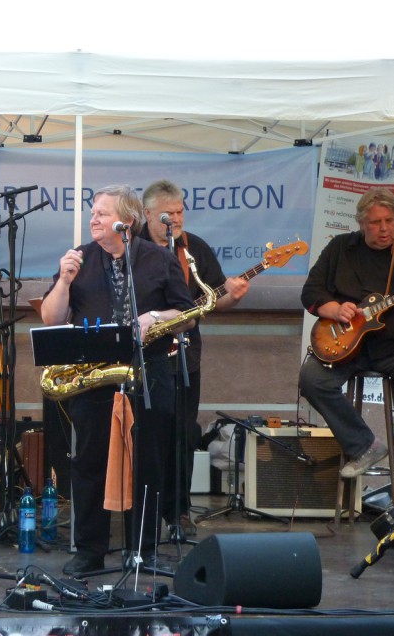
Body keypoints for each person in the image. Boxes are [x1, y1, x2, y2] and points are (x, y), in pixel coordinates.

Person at [40, 184, 195, 576]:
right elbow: (50, 319)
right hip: (95, 377)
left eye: (102, 213)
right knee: (89, 462)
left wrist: (156, 318)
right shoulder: (80, 258)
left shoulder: (159, 259)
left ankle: (142, 549)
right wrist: (63, 281)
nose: (93, 219)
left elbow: (188, 313)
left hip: (150, 375)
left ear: (126, 222)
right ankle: (90, 551)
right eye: (93, 212)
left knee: (148, 462)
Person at [298, 187, 394, 479]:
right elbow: (311, 292)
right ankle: (364, 446)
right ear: (361, 223)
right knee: (311, 379)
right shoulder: (340, 249)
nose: (384, 229)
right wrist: (334, 310)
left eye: (389, 221)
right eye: (375, 222)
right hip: (348, 346)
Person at [138, 180, 249, 537]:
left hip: (185, 355)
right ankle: (142, 512)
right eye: (168, 214)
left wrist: (232, 295)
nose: (176, 220)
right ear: (148, 214)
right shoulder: (133, 247)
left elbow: (213, 299)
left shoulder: (194, 248)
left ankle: (178, 511)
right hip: (143, 355)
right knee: (146, 436)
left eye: (181, 212)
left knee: (182, 434)